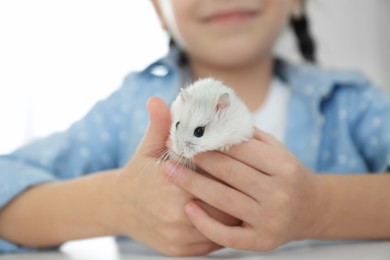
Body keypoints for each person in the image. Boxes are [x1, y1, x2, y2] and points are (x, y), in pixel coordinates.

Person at [0, 0, 390, 257]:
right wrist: (115, 203)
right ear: (157, 7)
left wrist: (320, 207)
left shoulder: (350, 103)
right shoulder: (125, 110)